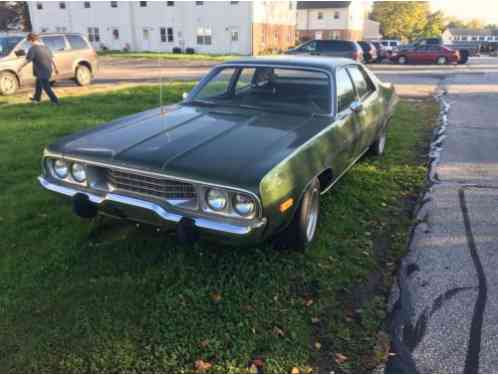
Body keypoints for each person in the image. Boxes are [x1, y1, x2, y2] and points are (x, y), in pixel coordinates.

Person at [18, 33, 60, 105]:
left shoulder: (33, 48)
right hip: (48, 70)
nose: (29, 43)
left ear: (31, 40)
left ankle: (55, 101)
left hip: (41, 71)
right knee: (38, 83)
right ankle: (37, 99)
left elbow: (27, 60)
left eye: (29, 41)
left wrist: (20, 67)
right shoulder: (45, 47)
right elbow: (52, 59)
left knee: (46, 87)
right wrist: (56, 68)